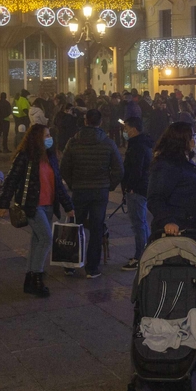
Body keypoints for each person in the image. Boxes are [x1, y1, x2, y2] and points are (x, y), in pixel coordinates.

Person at [147, 121, 196, 341]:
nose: (194, 140)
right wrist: (168, 221)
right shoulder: (166, 166)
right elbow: (155, 198)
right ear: (180, 140)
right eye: (191, 136)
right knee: (195, 278)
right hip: (184, 233)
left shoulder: (183, 163)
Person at [0, 124, 74, 297]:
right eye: (45, 135)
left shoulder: (51, 156)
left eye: (49, 135)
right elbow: (11, 180)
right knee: (46, 238)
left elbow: (58, 184)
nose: (49, 138)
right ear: (36, 138)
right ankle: (37, 277)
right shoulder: (25, 157)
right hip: (31, 205)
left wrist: (68, 207)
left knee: (37, 240)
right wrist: (3, 204)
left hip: (48, 206)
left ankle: (30, 279)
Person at [60, 109, 123, 279]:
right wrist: (109, 185)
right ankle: (92, 268)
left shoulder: (73, 142)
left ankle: (70, 264)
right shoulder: (108, 143)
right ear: (100, 122)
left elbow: (64, 167)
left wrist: (72, 183)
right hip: (99, 191)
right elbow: (119, 168)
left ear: (85, 121)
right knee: (96, 228)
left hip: (79, 189)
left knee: (75, 226)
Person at [120, 116, 152, 271]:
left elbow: (136, 170)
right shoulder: (142, 143)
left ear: (133, 129)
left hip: (136, 189)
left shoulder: (137, 146)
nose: (124, 131)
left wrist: (129, 186)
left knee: (138, 224)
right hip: (140, 187)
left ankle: (140, 255)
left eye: (126, 128)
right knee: (141, 223)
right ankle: (145, 253)